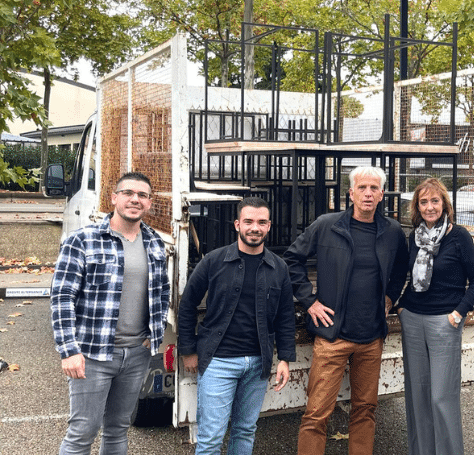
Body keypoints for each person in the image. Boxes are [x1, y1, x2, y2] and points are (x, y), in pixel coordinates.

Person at [285, 166, 408, 454]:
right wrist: (309, 300)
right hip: (332, 337)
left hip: (372, 336)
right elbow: (292, 259)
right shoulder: (327, 225)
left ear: (381, 195)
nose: (368, 193)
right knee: (316, 414)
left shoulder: (392, 231)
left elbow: (402, 267)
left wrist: (391, 296)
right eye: (362, 188)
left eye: (374, 188)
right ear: (350, 193)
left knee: (365, 411)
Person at [51, 172, 170, 454]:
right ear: (114, 198)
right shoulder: (82, 240)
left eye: (142, 195)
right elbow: (62, 297)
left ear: (150, 203)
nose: (135, 199)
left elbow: (162, 293)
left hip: (136, 354)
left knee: (117, 430)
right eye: (128, 193)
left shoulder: (154, 243)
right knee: (82, 432)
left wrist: (153, 336)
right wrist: (69, 350)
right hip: (93, 355)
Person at [177, 196, 295, 454]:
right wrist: (188, 350)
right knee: (210, 437)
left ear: (269, 226)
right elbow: (187, 305)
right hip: (218, 361)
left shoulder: (278, 267)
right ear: (237, 224)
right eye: (249, 221)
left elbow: (285, 317)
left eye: (262, 222)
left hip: (258, 363)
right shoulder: (214, 261)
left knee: (245, 431)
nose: (255, 227)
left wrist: (285, 358)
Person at [396, 178, 474, 455]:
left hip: (445, 321)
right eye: (424, 202)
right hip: (412, 319)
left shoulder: (458, 236)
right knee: (417, 397)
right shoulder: (415, 236)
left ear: (445, 204)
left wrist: (459, 313)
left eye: (435, 201)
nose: (430, 206)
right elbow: (407, 275)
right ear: (417, 207)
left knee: (440, 398)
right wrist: (400, 307)